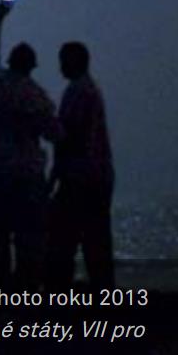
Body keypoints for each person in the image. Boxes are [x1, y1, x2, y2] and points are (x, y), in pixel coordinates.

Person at [0, 0, 59, 288]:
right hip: (28, 176)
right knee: (29, 241)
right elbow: (55, 135)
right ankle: (25, 292)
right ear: (32, 67)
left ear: (11, 62)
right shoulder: (38, 97)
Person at [46, 41, 115, 289]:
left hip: (81, 179)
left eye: (64, 60)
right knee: (96, 243)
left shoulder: (79, 92)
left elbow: (69, 139)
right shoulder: (87, 90)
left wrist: (53, 180)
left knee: (62, 242)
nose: (61, 66)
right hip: (94, 177)